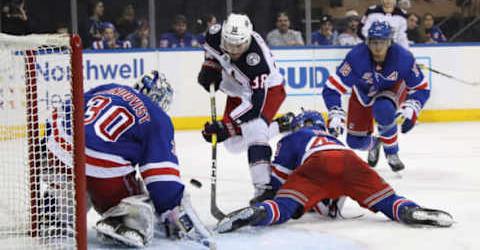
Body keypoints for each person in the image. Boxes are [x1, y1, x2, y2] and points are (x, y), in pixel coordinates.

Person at [42, 71, 214, 248]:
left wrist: (46, 144)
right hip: (102, 161)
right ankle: (124, 220)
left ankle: (57, 208)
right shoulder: (158, 118)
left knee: (76, 179)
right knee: (138, 204)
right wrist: (171, 209)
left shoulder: (111, 88)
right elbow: (161, 179)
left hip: (59, 146)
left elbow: (70, 107)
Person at [216, 110, 454, 234]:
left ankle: (258, 213)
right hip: (350, 161)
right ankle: (410, 210)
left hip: (316, 165)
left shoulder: (294, 137)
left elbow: (276, 182)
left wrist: (274, 197)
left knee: (283, 206)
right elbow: (340, 166)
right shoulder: (332, 138)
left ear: (300, 126)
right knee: (388, 201)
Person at [197, 13, 287, 205]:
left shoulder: (257, 63)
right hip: (237, 82)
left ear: (248, 40)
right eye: (229, 44)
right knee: (233, 144)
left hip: (267, 90)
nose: (234, 50)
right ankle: (281, 125)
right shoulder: (214, 34)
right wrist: (209, 67)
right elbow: (211, 52)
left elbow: (254, 106)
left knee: (254, 129)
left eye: (239, 46)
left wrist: (226, 126)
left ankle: (264, 188)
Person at [322, 21, 430, 172]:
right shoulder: (356, 57)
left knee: (383, 109)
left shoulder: (403, 58)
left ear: (390, 42)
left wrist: (414, 106)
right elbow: (332, 89)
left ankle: (391, 151)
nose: (378, 48)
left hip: (392, 88)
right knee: (354, 142)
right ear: (367, 42)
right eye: (374, 43)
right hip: (362, 92)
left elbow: (421, 88)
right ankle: (375, 144)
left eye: (382, 43)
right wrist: (334, 110)